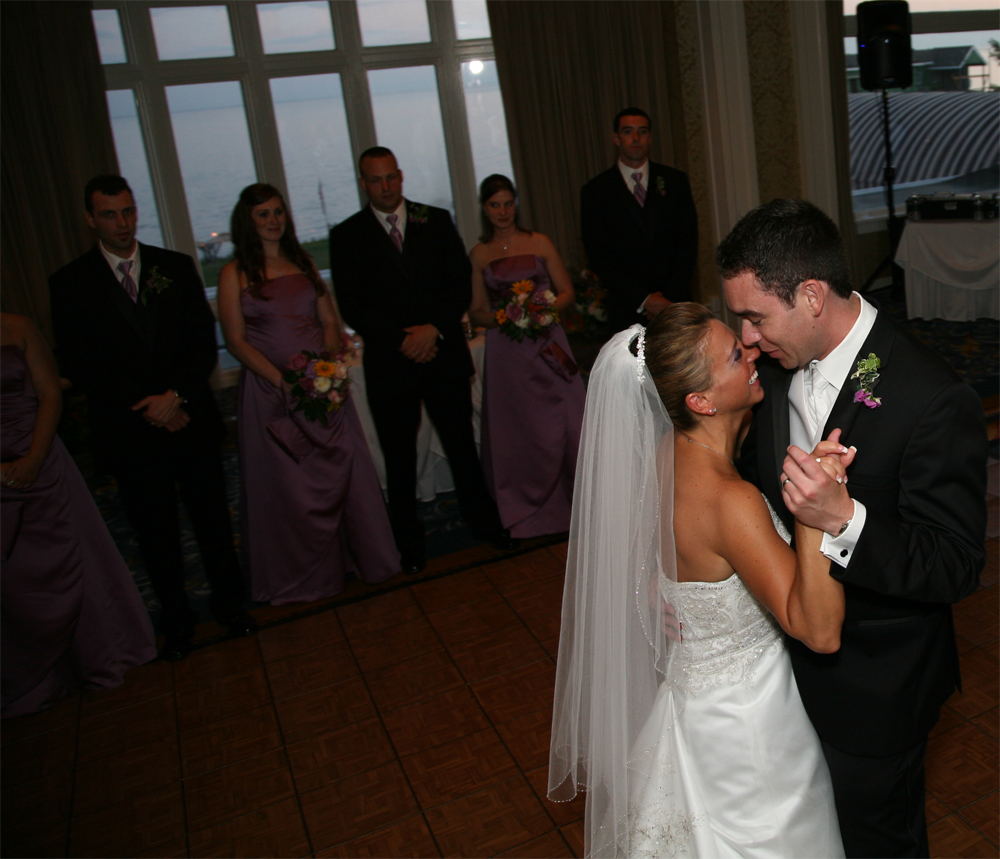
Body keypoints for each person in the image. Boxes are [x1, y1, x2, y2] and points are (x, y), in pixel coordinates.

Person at [719, 198, 987, 858]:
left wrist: (844, 520)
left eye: (754, 316)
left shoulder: (932, 397)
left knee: (876, 842)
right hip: (780, 668)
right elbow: (753, 494)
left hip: (876, 689)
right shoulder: (777, 370)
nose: (745, 338)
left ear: (810, 295)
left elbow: (955, 563)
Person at [549, 305, 852, 858]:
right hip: (750, 727)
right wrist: (816, 510)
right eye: (736, 356)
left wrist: (659, 594)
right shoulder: (730, 500)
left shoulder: (658, 459)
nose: (752, 352)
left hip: (691, 706)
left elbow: (645, 556)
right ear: (701, 402)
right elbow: (820, 630)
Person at [49, 175, 256, 662]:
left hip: (190, 419)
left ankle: (230, 606)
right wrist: (150, 405)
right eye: (109, 214)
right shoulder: (70, 283)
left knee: (211, 520)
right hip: (130, 430)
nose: (122, 223)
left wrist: (176, 396)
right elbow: (81, 363)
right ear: (90, 219)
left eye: (128, 211)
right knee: (154, 531)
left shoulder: (175, 267)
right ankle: (177, 621)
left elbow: (202, 344)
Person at [328, 147, 511, 574]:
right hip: (391, 363)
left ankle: (485, 524)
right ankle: (408, 543)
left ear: (401, 176)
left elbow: (458, 284)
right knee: (399, 456)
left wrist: (434, 329)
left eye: (392, 177)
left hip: (442, 352)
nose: (386, 187)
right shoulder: (347, 235)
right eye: (376, 180)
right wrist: (400, 339)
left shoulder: (436, 219)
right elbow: (353, 305)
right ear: (363, 184)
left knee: (461, 446)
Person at [218, 183, 399, 603]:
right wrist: (282, 380)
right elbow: (235, 341)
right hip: (272, 394)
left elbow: (330, 320)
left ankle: (362, 559)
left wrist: (329, 367)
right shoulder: (234, 274)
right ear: (247, 221)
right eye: (263, 214)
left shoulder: (302, 262)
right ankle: (304, 575)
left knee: (345, 472)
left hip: (324, 389)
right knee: (289, 487)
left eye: (278, 211)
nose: (273, 220)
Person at [1, 313, 156, 717]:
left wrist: (35, 457)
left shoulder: (16, 327)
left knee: (73, 557)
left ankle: (97, 655)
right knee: (14, 580)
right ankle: (31, 678)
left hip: (40, 454)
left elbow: (50, 392)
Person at [468, 174, 585, 538]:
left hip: (549, 342)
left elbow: (566, 293)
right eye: (494, 205)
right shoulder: (480, 254)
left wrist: (542, 308)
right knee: (520, 430)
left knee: (570, 423)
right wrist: (506, 315)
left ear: (515, 203)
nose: (502, 211)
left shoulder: (539, 242)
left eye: (508, 203)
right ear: (484, 209)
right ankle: (528, 512)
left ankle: (583, 504)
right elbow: (476, 312)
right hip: (508, 353)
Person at [580, 107, 698, 333]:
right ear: (616, 138)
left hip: (674, 305)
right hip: (627, 309)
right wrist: (645, 299)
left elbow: (688, 243)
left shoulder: (675, 181)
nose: (636, 138)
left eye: (642, 131)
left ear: (650, 137)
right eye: (628, 131)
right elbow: (599, 255)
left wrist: (666, 301)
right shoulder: (595, 191)